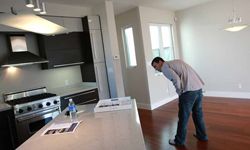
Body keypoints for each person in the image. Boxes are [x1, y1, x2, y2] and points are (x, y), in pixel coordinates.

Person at [151, 57, 208, 146]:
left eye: (155, 66)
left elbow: (176, 79)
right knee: (198, 114)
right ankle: (202, 136)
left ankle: (179, 141)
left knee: (183, 117)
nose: (157, 69)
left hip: (188, 91)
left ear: (160, 62)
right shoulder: (176, 62)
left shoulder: (164, 67)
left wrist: (179, 91)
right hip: (198, 88)